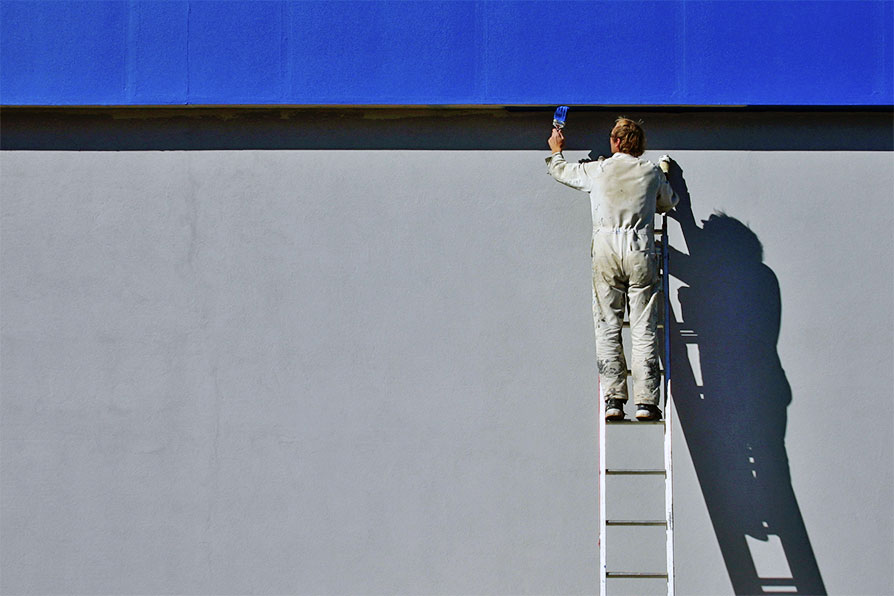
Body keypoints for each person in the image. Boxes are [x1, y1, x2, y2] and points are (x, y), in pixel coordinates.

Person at [546, 118, 677, 421]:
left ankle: (614, 400)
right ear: (638, 145)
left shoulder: (599, 170)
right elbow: (668, 203)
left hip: (605, 249)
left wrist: (556, 150)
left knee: (607, 325)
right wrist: (665, 175)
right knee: (644, 327)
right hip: (639, 249)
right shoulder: (650, 171)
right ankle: (646, 402)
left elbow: (562, 171)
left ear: (617, 142)